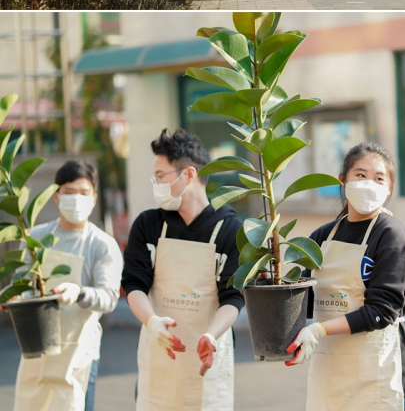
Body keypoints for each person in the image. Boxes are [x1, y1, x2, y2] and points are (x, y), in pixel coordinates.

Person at [286, 142, 405, 410]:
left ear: (389, 189)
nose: (369, 183)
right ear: (343, 181)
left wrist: (320, 329)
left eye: (379, 178)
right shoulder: (323, 236)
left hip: (381, 372)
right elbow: (304, 295)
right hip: (331, 369)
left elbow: (381, 311)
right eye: (360, 175)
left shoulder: (392, 237)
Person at [122, 130, 242, 410]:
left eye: (161, 176)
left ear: (188, 175)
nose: (156, 184)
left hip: (210, 354)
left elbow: (233, 297)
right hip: (159, 353)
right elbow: (133, 283)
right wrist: (152, 322)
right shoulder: (148, 225)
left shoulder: (231, 230)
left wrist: (211, 335)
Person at [11, 161, 122, 411]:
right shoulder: (35, 238)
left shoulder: (103, 244)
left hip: (79, 350)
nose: (76, 199)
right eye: (69, 193)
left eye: (83, 193)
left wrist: (79, 292)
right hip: (37, 346)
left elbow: (109, 297)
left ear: (94, 198)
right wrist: (18, 299)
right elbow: (23, 283)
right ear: (56, 197)